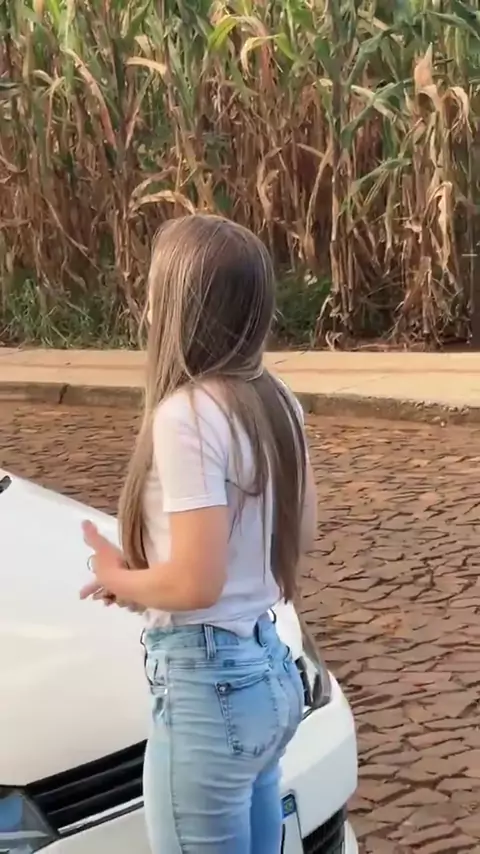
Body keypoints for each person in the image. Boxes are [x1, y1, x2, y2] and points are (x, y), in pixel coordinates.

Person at [80, 214, 318, 854]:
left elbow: (196, 583)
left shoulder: (184, 414)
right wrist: (146, 581)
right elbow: (296, 535)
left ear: (178, 306)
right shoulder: (276, 399)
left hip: (210, 689)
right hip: (268, 669)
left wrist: (118, 575)